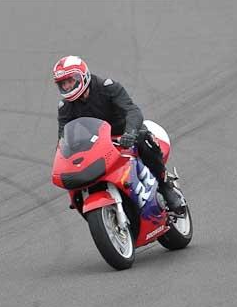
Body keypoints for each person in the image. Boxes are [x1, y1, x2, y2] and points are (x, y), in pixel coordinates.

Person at [53, 55, 186, 215]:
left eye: (70, 81)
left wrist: (130, 133)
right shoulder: (65, 107)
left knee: (144, 138)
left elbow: (132, 110)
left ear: (83, 75)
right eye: (63, 84)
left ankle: (165, 187)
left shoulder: (107, 88)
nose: (67, 86)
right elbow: (64, 137)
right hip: (99, 143)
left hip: (125, 134)